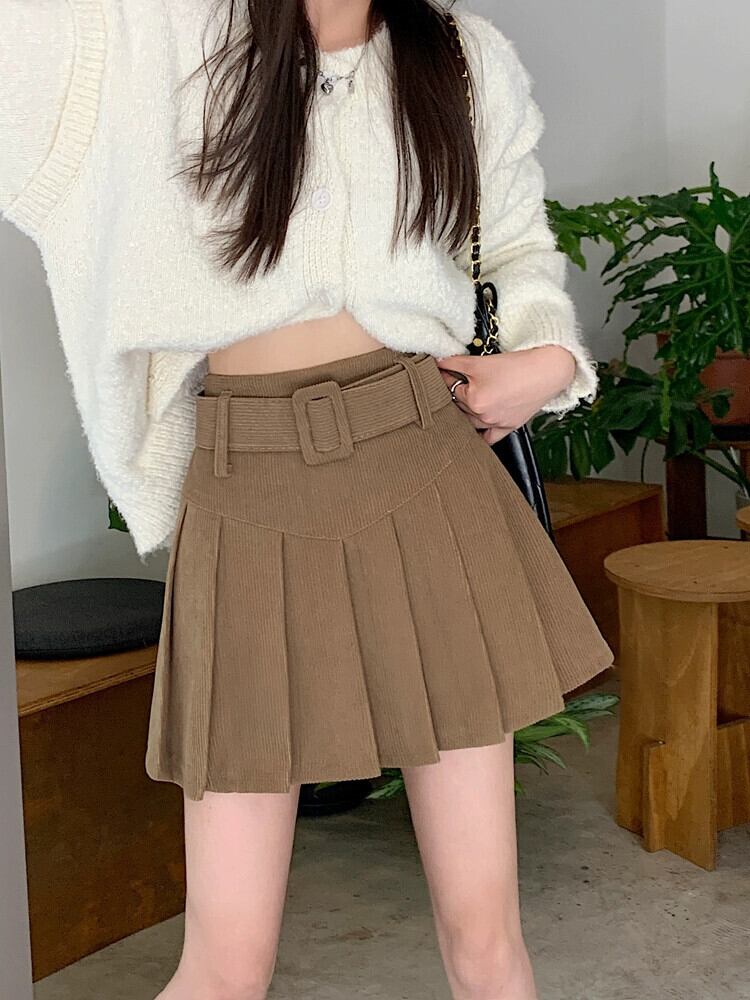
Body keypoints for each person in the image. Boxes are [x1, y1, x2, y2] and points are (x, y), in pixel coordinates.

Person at [1, 1, 614, 997]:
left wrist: (546, 361)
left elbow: (514, 247)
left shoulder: (460, 56)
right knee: (224, 967)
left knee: (485, 939)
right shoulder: (156, 34)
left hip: (425, 464)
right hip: (248, 491)